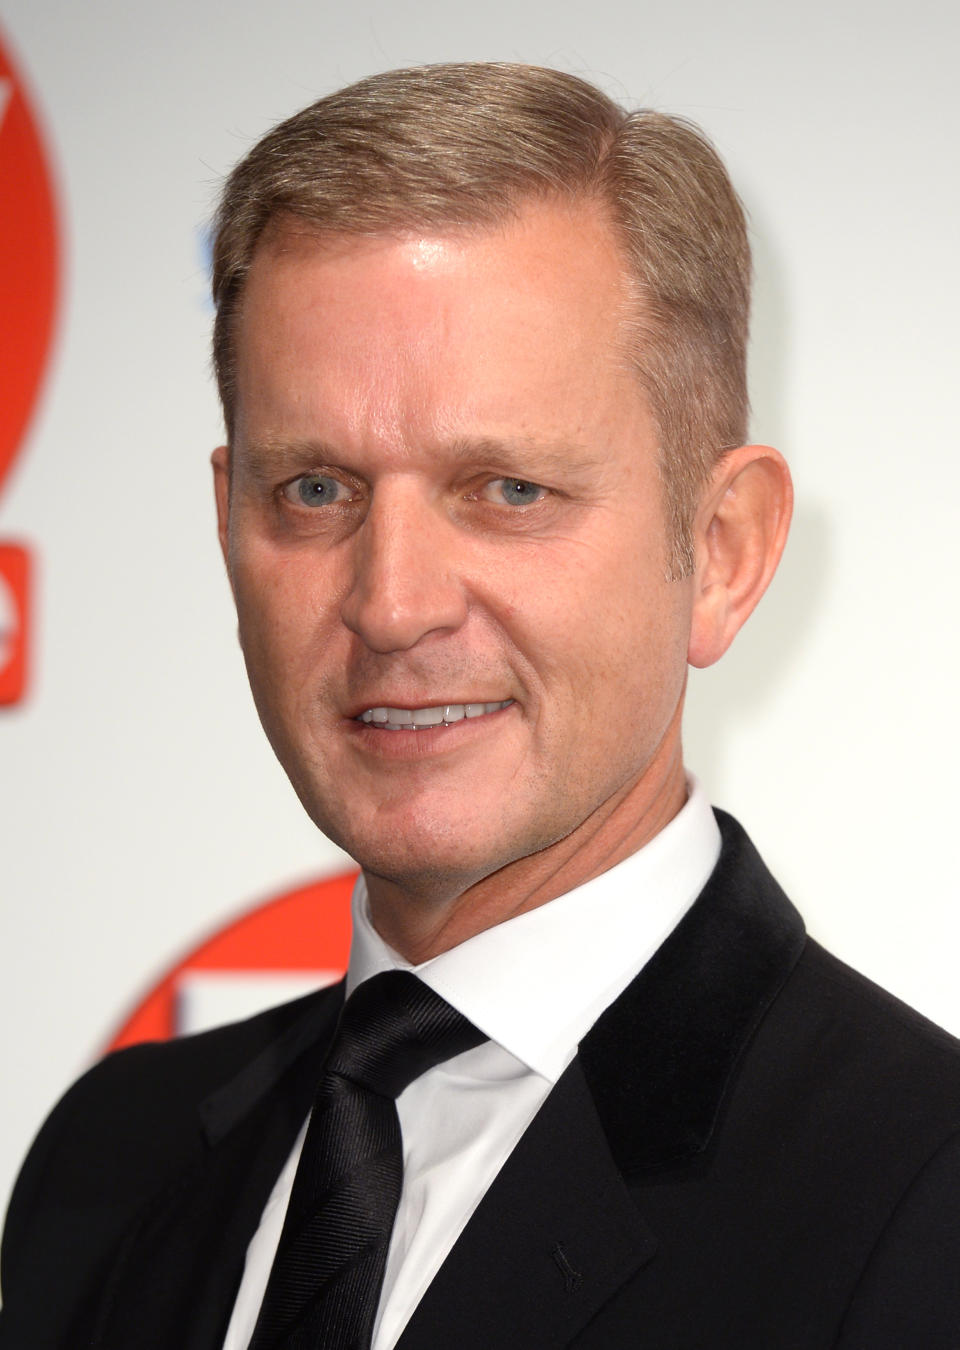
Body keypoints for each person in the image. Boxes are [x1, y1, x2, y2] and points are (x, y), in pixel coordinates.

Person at [2, 61, 960, 1350]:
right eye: (316, 491)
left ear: (723, 551)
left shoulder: (923, 1200)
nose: (392, 604)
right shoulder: (103, 1165)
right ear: (227, 520)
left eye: (507, 490)